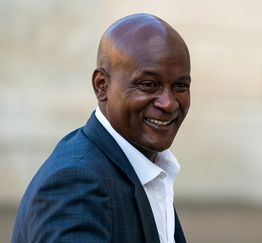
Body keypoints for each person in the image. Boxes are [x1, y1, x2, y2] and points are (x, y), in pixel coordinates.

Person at [12, 13, 191, 243]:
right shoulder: (76, 182)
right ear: (101, 86)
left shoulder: (144, 169)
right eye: (149, 84)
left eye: (180, 86)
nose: (168, 103)